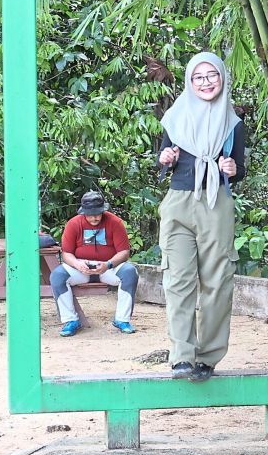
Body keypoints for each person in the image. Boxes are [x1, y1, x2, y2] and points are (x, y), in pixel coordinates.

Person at [156, 51, 246, 381]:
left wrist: (232, 169)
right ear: (189, 81)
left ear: (222, 79)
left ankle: (207, 357)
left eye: (212, 76)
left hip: (216, 204)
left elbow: (238, 170)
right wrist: (164, 157)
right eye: (199, 77)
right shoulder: (174, 118)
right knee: (177, 280)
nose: (206, 82)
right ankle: (181, 355)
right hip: (179, 201)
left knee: (217, 282)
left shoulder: (233, 123)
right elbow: (164, 160)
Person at [50, 191, 139, 337]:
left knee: (130, 272)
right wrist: (77, 264)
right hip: (81, 267)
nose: (94, 218)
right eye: (90, 214)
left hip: (108, 267)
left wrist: (108, 264)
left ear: (103, 210)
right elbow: (66, 253)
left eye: (97, 213)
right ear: (83, 212)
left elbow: (124, 252)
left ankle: (122, 319)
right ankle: (70, 320)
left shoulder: (115, 222)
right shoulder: (73, 224)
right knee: (58, 275)